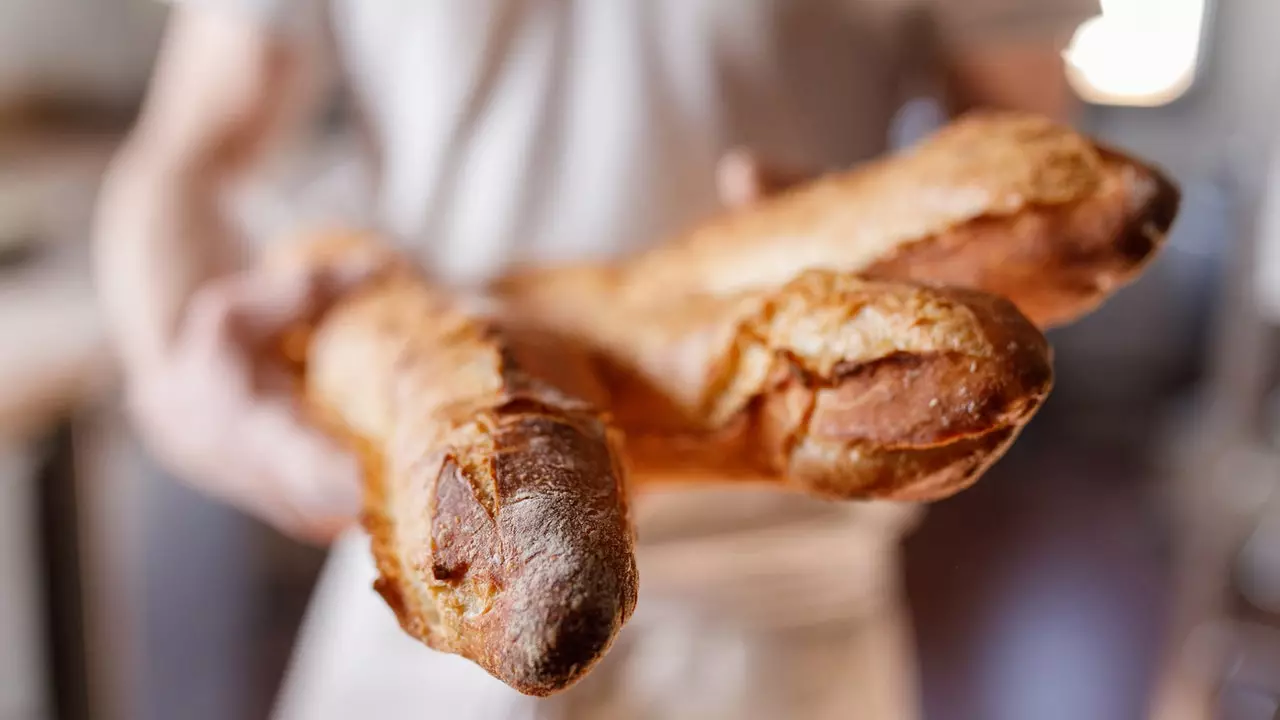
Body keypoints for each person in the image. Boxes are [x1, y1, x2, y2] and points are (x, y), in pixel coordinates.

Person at [94, 2, 1096, 718]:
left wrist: (885, 230)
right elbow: (194, 146)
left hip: (777, 594)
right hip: (449, 542)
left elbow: (1024, 160)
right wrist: (170, 370)